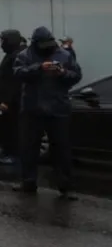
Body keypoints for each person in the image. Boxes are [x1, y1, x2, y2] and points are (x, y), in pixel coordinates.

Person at [13, 26, 81, 199]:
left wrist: (62, 72)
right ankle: (28, 182)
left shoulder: (64, 55)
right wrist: (39, 68)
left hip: (58, 108)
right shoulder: (24, 55)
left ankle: (66, 187)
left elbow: (76, 76)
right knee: (28, 148)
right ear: (35, 43)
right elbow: (18, 73)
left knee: (62, 149)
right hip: (32, 108)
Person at [0, 29, 23, 165]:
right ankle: (6, 151)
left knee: (12, 128)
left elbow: (14, 82)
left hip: (11, 101)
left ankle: (14, 154)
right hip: (4, 99)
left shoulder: (17, 55)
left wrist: (6, 101)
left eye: (3, 40)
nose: (1, 43)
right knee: (4, 127)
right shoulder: (11, 54)